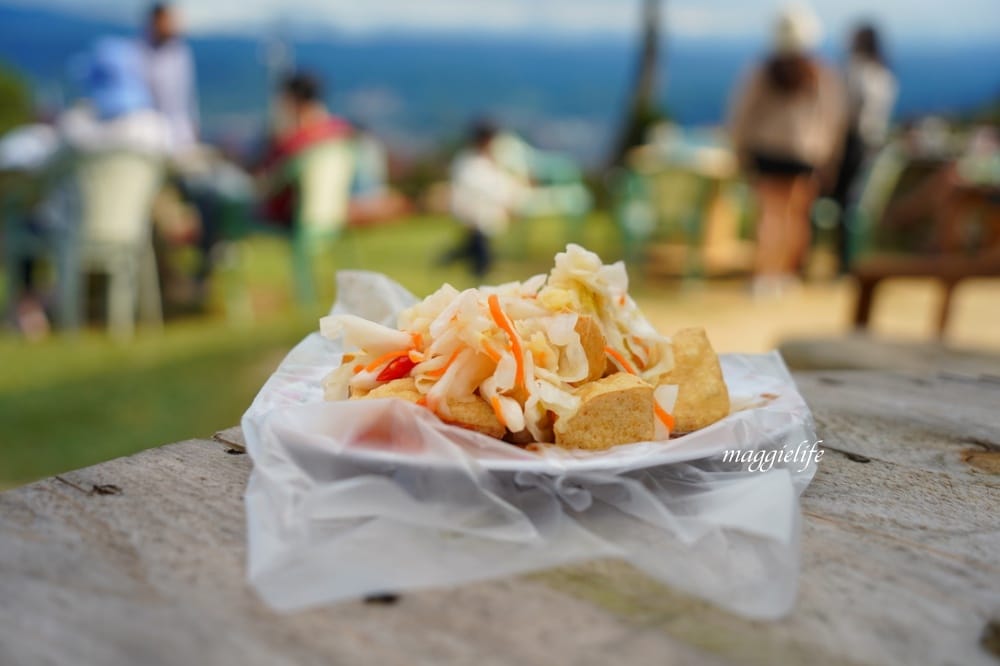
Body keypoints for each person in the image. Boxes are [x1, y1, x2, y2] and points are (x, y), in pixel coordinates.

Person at [728, 3, 845, 297]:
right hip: (805, 154)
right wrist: (829, 156)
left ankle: (764, 275)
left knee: (769, 215)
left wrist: (739, 147)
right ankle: (786, 274)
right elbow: (832, 119)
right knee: (796, 217)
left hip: (767, 151)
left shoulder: (763, 71)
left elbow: (741, 113)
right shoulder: (820, 73)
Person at [830, 24, 897, 272]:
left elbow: (844, 110)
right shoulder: (884, 73)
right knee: (856, 203)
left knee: (840, 201)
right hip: (872, 144)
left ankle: (841, 260)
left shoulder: (855, 69)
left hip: (851, 142)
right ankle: (850, 260)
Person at [258, 72, 352, 226]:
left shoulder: (292, 142)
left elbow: (270, 184)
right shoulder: (341, 132)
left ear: (294, 100)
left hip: (293, 215)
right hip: (334, 211)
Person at [440, 120, 524, 278]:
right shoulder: (469, 161)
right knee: (479, 245)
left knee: (473, 244)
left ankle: (453, 259)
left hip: (483, 208)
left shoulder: (485, 160)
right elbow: (482, 188)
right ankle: (480, 268)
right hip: (475, 208)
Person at [143, 2, 198, 151]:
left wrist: (193, 125)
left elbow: (187, 95)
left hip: (180, 132)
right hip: (150, 132)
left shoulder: (181, 53)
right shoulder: (140, 53)